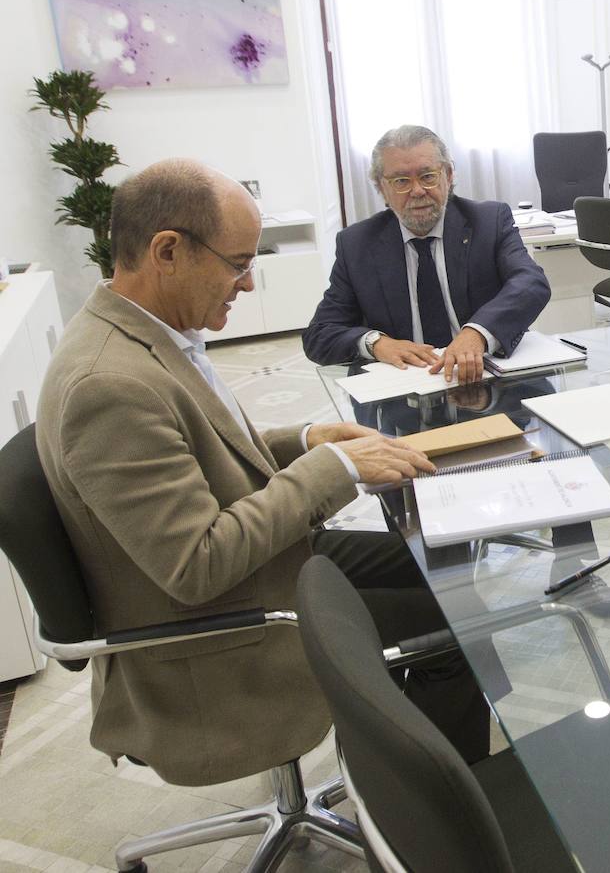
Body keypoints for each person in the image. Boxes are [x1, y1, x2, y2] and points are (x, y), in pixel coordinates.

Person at [35, 159, 492, 787]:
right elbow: (197, 565)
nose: (248, 285)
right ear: (167, 251)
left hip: (258, 571)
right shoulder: (109, 385)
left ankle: (407, 757)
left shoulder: (146, 336)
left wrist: (307, 438)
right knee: (462, 625)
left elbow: (206, 450)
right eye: (238, 263)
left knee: (443, 566)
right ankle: (440, 814)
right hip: (218, 629)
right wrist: (333, 468)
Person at [302, 125, 551, 384]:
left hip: (486, 376)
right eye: (401, 181)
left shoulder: (489, 221)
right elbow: (319, 334)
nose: (418, 191)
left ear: (449, 175)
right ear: (381, 188)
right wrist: (376, 343)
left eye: (428, 176)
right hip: (406, 388)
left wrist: (477, 333)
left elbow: (530, 283)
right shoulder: (356, 244)